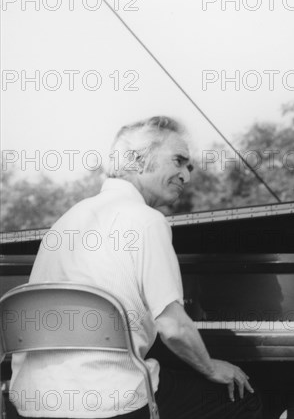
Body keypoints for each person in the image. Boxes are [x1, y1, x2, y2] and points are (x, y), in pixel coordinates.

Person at [10, 116, 262, 418]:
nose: (187, 176)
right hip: (109, 401)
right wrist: (211, 367)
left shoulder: (64, 221)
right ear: (137, 161)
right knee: (242, 398)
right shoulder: (145, 220)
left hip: (33, 400)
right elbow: (173, 328)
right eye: (179, 161)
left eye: (189, 167)